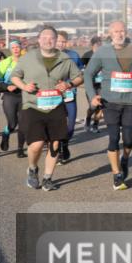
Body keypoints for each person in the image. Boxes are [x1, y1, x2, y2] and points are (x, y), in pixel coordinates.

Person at [10, 25, 83, 191]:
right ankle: (32, 169)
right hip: (33, 106)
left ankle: (48, 177)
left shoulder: (65, 59)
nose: (48, 40)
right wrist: (24, 86)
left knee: (55, 144)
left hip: (56, 105)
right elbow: (15, 76)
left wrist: (69, 83)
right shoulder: (28, 58)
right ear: (38, 40)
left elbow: (79, 76)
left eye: (51, 37)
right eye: (44, 37)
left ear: (56, 40)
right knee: (36, 145)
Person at [83, 21, 132, 191]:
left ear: (126, 32)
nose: (119, 34)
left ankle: (125, 159)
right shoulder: (103, 52)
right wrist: (92, 96)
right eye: (116, 31)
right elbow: (89, 74)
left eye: (122, 31)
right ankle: (116, 174)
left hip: (131, 101)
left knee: (128, 140)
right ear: (110, 33)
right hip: (109, 102)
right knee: (114, 138)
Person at [55, 30, 83, 164]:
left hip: (70, 95)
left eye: (63, 41)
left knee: (71, 126)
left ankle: (65, 143)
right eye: (58, 41)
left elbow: (80, 74)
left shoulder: (73, 55)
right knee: (57, 124)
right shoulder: (47, 56)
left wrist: (70, 83)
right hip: (53, 97)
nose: (61, 44)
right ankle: (60, 149)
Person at [0, 40, 25, 157]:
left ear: (21, 48)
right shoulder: (4, 63)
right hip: (10, 95)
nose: (15, 49)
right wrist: (7, 86)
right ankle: (6, 133)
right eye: (13, 47)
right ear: (10, 49)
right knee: (13, 123)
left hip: (25, 94)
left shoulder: (27, 61)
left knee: (24, 123)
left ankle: (20, 149)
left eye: (17, 47)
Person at [81, 36, 104, 132]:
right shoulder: (87, 55)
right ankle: (88, 119)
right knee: (93, 106)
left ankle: (95, 125)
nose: (99, 46)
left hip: (102, 84)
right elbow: (81, 68)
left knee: (101, 105)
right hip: (91, 85)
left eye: (100, 44)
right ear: (92, 45)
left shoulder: (105, 55)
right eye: (97, 45)